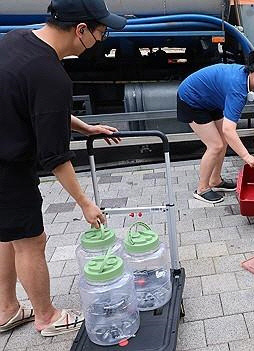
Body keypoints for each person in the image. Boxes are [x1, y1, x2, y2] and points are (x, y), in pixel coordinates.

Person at [0, 0, 126, 337]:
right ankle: (47, 317)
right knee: (31, 240)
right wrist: (85, 203)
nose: (102, 40)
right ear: (81, 30)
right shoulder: (52, 75)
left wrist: (85, 128)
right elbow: (55, 157)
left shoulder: (17, 39)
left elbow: (34, 105)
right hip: (7, 166)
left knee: (8, 235)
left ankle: (6, 310)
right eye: (101, 32)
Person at [177, 52, 254, 204]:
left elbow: (228, 131)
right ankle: (202, 189)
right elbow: (229, 130)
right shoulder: (238, 89)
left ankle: (215, 181)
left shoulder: (244, 78)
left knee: (223, 142)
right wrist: (247, 157)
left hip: (210, 100)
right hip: (191, 99)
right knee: (215, 145)